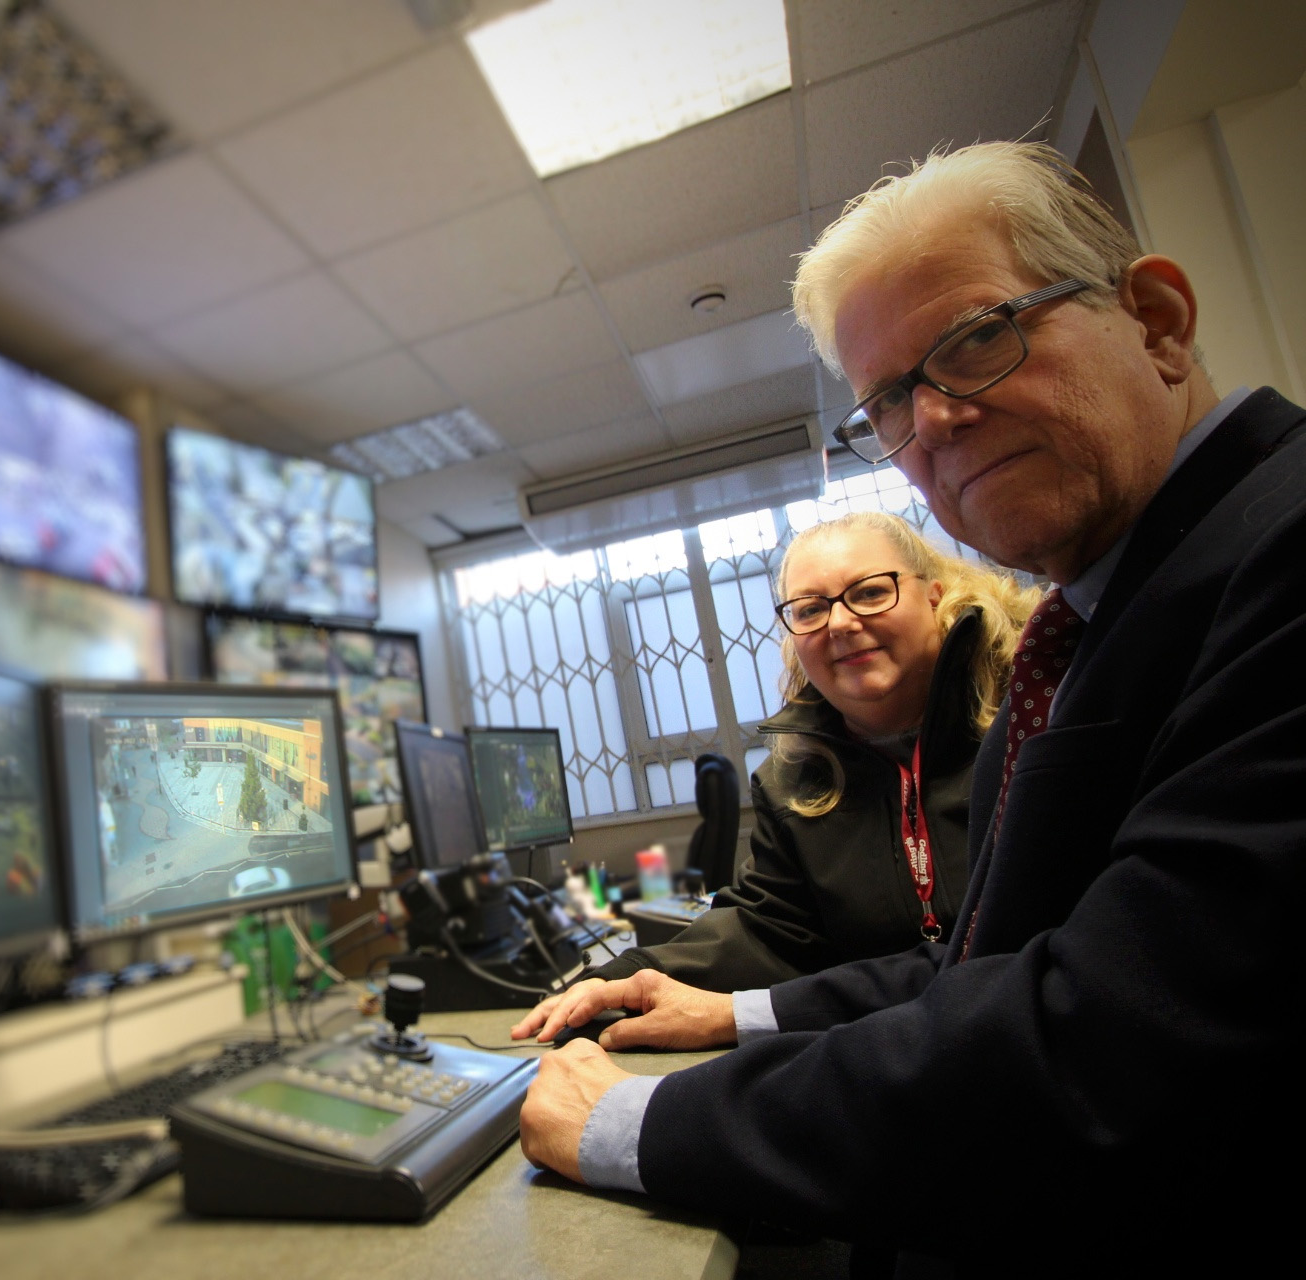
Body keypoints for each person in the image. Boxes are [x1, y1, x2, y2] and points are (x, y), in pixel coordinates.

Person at [513, 140, 1306, 1268]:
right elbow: (981, 967)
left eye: (979, 338)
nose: (931, 421)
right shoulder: (1119, 610)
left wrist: (640, 1119)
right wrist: (719, 1012)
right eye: (888, 397)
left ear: (1160, 322)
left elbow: (1120, 1042)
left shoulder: (1275, 553)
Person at [513, 512, 1038, 1012]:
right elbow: (770, 930)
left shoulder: (1036, 719)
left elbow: (1013, 953)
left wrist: (745, 1015)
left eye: (871, 592)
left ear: (934, 595)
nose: (841, 622)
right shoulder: (797, 782)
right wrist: (624, 981)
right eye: (810, 609)